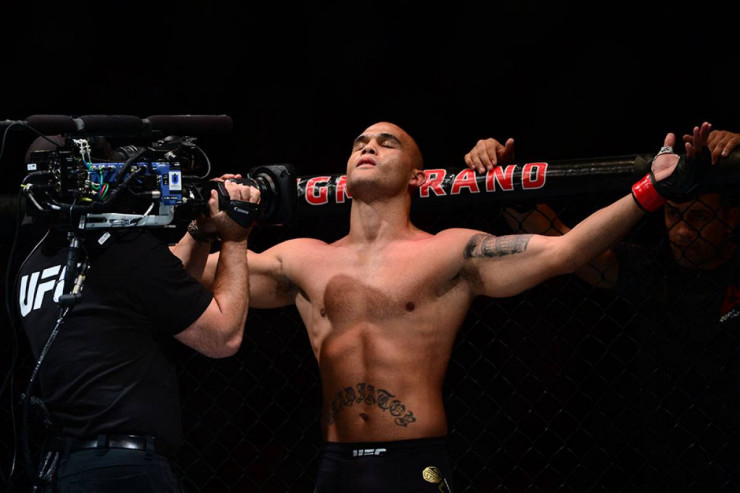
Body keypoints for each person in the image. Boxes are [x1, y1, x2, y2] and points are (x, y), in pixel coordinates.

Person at [184, 120, 709, 492]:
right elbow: (186, 277)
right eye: (360, 142)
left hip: (413, 463)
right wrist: (202, 221)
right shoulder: (300, 259)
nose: (369, 147)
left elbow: (566, 252)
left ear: (417, 175)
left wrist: (651, 190)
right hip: (334, 465)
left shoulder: (449, 252)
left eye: (387, 143)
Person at [465, 126, 740, 491]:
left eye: (699, 218)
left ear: (732, 218)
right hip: (669, 464)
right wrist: (507, 182)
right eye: (674, 215)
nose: (682, 232)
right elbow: (564, 245)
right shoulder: (651, 271)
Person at [13, 135, 261, 492]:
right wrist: (236, 236)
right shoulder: (122, 249)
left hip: (68, 469)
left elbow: (164, 296)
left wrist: (200, 230)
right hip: (128, 470)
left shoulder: (32, 265)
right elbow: (223, 336)